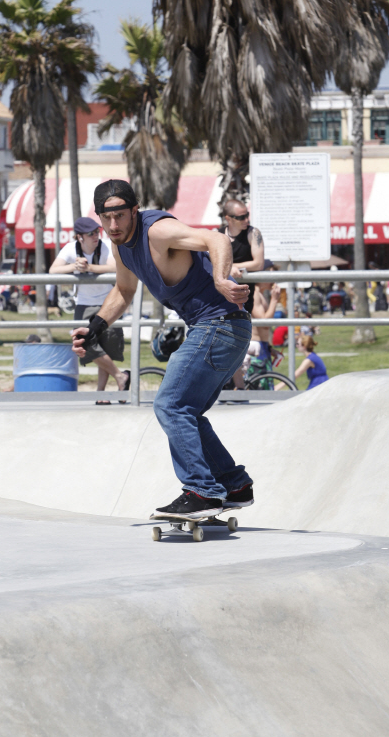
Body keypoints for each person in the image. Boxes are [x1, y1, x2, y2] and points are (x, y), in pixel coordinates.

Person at [71, 179, 253, 520]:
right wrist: (95, 326)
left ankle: (202, 490)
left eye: (121, 216)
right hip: (219, 329)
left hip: (220, 324)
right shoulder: (120, 246)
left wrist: (220, 278)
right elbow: (124, 290)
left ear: (134, 211)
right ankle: (234, 485)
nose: (114, 226)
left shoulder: (158, 230)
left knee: (170, 405)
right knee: (186, 412)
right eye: (107, 218)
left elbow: (216, 239)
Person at [50, 216, 129, 404]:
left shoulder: (107, 245)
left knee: (105, 348)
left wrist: (89, 267)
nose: (96, 236)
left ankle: (101, 394)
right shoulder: (70, 249)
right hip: (83, 304)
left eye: (97, 232)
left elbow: (114, 267)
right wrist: (73, 266)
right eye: (91, 234)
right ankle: (121, 377)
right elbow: (53, 270)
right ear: (80, 237)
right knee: (84, 345)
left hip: (108, 303)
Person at [233, 261, 280, 390]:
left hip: (263, 346)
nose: (273, 278)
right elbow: (264, 323)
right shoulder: (255, 294)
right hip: (256, 349)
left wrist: (270, 348)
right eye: (270, 273)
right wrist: (275, 301)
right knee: (259, 389)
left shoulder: (262, 295)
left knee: (265, 388)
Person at [218, 198, 264, 313]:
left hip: (244, 297)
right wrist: (230, 268)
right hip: (220, 297)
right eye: (241, 217)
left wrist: (232, 267)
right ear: (228, 218)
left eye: (247, 215)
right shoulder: (218, 235)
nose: (246, 219)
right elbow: (210, 262)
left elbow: (258, 264)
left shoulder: (253, 233)